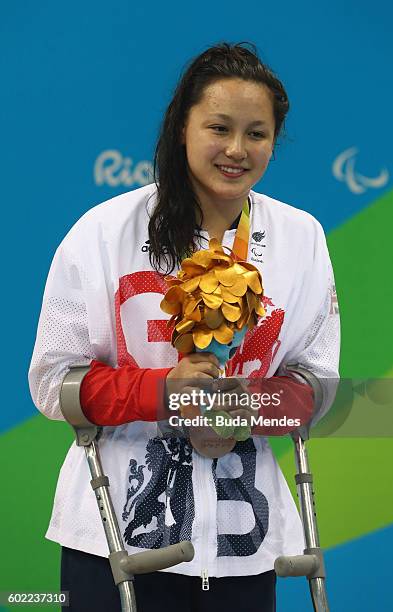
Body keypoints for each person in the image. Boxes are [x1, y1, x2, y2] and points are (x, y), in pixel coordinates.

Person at [28, 42, 340, 612]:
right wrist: (162, 393)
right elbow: (52, 382)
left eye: (257, 134)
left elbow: (317, 384)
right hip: (112, 540)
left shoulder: (302, 238)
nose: (236, 150)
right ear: (182, 129)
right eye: (219, 128)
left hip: (244, 540)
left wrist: (246, 409)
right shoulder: (103, 233)